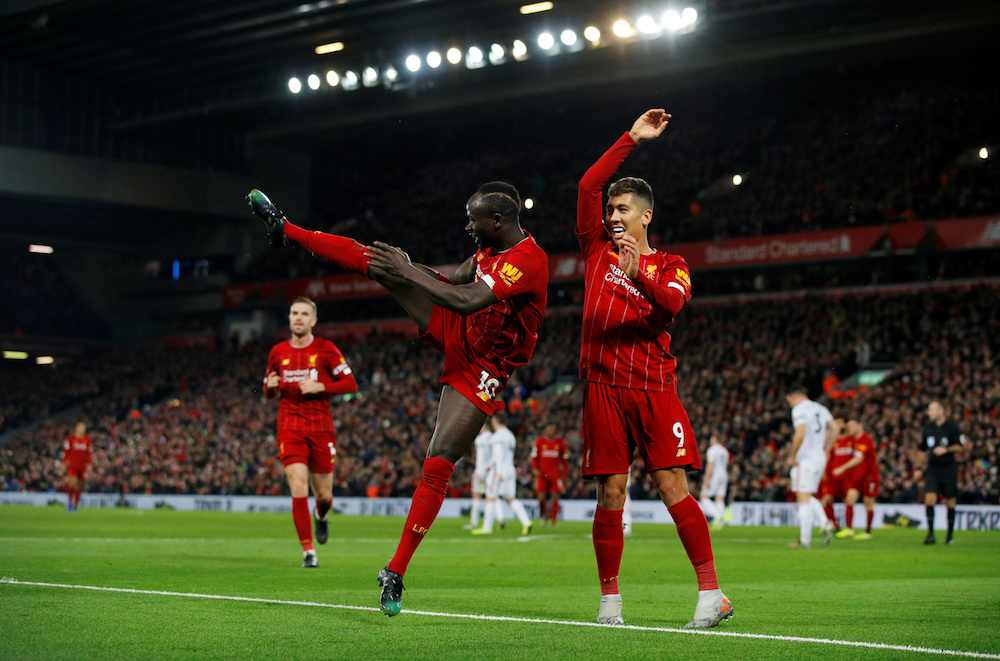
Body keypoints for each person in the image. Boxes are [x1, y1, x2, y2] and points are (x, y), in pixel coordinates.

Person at [248, 181, 548, 615]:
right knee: (383, 263)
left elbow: (466, 300)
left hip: (485, 366)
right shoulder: (489, 250)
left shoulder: (529, 261)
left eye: (473, 219)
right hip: (460, 331)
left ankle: (396, 571)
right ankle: (287, 229)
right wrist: (406, 267)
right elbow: (451, 280)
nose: (467, 226)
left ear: (497, 221)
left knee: (438, 461)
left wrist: (409, 273)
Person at [576, 108, 732, 629]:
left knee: (673, 489)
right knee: (610, 493)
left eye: (623, 209)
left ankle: (711, 595)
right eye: (610, 209)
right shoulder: (595, 248)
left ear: (645, 216)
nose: (612, 215)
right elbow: (586, 184)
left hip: (652, 386)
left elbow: (670, 305)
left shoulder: (670, 264)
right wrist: (631, 139)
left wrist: (635, 271)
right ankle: (609, 605)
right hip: (602, 387)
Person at [264, 297, 359, 568]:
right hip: (289, 426)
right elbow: (270, 389)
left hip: (320, 429)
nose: (298, 318)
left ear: (313, 320)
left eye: (304, 314)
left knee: (324, 496)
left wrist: (322, 387)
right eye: (294, 313)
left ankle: (322, 515)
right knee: (297, 486)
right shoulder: (277, 352)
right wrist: (269, 386)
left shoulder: (326, 349)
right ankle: (308, 551)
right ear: (289, 317)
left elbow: (351, 383)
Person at [785, 385, 838, 549]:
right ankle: (825, 523)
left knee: (802, 498)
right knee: (807, 495)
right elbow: (835, 428)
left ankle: (805, 540)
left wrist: (793, 455)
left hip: (805, 458)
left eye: (789, 401)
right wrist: (826, 449)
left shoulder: (799, 410)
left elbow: (800, 433)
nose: (790, 405)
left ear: (794, 396)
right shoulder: (820, 408)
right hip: (819, 458)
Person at [473, 411, 533, 536]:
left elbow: (498, 456)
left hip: (499, 471)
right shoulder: (510, 436)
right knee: (510, 498)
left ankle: (487, 527)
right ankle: (526, 521)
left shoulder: (498, 437)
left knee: (490, 497)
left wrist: (498, 471)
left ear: (495, 421)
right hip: (510, 469)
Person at [920, 400, 967, 545]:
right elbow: (922, 449)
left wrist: (946, 450)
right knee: (929, 499)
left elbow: (960, 446)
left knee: (950, 502)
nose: (929, 413)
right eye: (928, 410)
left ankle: (949, 536)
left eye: (932, 410)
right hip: (932, 469)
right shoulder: (928, 429)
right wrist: (918, 467)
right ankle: (930, 535)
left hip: (948, 469)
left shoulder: (952, 428)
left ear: (941, 411)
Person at [819, 419, 864, 538]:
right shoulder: (833, 442)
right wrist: (825, 472)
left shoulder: (852, 440)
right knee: (827, 499)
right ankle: (834, 524)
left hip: (848, 477)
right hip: (833, 477)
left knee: (849, 500)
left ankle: (849, 528)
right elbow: (829, 459)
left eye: (840, 424)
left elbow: (857, 457)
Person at [530, 423, 569, 528]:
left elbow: (564, 460)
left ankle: (553, 521)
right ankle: (545, 514)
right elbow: (534, 457)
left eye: (553, 429)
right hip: (542, 475)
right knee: (541, 497)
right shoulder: (539, 442)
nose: (551, 430)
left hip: (555, 475)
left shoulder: (560, 444)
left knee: (555, 498)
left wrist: (565, 474)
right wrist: (535, 469)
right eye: (549, 428)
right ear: (546, 430)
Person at [846, 418, 879, 540]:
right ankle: (849, 529)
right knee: (849, 499)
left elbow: (858, 459)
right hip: (858, 477)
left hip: (869, 477)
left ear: (860, 426)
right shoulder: (854, 441)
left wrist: (842, 468)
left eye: (851, 426)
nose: (849, 429)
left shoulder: (866, 440)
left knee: (868, 503)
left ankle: (868, 531)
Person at [464, 422, 493, 530]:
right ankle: (499, 519)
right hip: (491, 471)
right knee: (492, 497)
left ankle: (474, 522)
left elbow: (481, 457)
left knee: (477, 496)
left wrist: (480, 472)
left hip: (481, 471)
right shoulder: (494, 438)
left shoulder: (480, 439)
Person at [700, 434, 730, 531]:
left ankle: (717, 516)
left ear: (715, 440)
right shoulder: (724, 450)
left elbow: (710, 464)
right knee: (719, 498)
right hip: (724, 475)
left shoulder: (712, 450)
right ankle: (722, 519)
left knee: (704, 496)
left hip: (715, 475)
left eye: (711, 438)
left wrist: (707, 478)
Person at [61, 421, 92, 512]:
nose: (83, 429)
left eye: (84, 427)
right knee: (73, 484)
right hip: (73, 466)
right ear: (77, 428)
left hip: (83, 467)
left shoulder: (87, 440)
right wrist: (63, 463)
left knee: (80, 486)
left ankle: (75, 506)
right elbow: (66, 452)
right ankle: (70, 503)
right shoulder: (70, 439)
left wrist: (90, 464)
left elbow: (89, 453)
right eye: (81, 427)